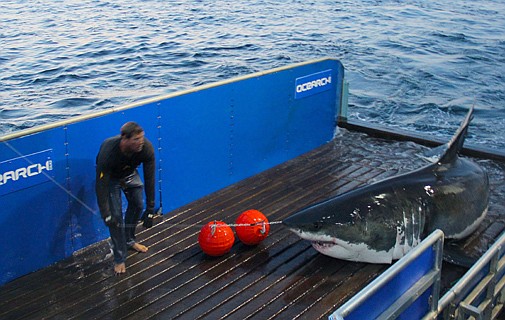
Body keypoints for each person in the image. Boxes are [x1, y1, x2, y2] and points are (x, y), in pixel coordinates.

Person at [95, 121, 156, 274]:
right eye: (136, 139)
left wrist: (150, 208)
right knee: (115, 218)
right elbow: (101, 185)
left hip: (129, 173)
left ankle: (129, 240)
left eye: (142, 137)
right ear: (124, 139)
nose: (141, 142)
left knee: (138, 205)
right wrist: (106, 214)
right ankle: (119, 258)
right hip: (111, 179)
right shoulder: (108, 152)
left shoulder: (146, 148)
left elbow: (150, 179)